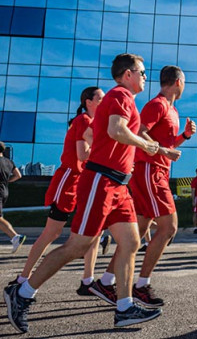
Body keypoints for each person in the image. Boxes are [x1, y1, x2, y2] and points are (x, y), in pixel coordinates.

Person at [4, 53, 162, 332]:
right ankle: (22, 293)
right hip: (101, 181)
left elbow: (112, 131)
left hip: (119, 186)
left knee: (131, 242)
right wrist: (144, 145)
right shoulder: (120, 95)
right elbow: (116, 130)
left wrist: (159, 147)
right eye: (143, 72)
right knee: (77, 245)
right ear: (128, 74)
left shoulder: (124, 100)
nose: (145, 77)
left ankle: (124, 307)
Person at [13, 87, 104, 297]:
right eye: (101, 98)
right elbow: (82, 155)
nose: (105, 100)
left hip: (85, 182)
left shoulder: (95, 124)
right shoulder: (82, 121)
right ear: (88, 102)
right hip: (69, 180)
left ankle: (87, 281)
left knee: (94, 231)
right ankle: (22, 278)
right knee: (51, 233)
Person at [125, 65, 196, 308]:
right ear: (178, 81)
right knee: (168, 228)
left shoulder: (172, 110)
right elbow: (138, 132)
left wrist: (184, 137)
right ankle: (142, 284)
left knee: (139, 229)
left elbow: (165, 143)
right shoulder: (157, 104)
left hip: (158, 170)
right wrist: (164, 150)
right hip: (149, 169)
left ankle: (107, 279)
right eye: (185, 81)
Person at [0, 141, 25, 254]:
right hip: (4, 190)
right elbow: (18, 175)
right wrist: (7, 181)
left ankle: (16, 237)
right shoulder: (8, 162)